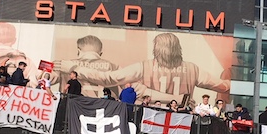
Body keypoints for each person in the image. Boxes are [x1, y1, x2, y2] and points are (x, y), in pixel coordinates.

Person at [62, 32, 229, 103]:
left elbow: (109, 78)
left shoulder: (143, 67)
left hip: (150, 117)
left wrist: (76, 68)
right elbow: (223, 86)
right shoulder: (194, 69)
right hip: (181, 120)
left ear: (157, 49)